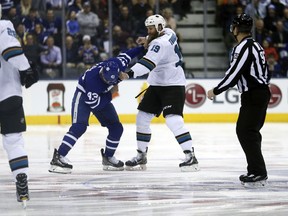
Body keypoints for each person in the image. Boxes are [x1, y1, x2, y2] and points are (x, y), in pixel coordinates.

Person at [48, 45, 145, 174]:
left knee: (116, 127)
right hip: (83, 96)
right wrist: (112, 93)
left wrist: (143, 47)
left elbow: (129, 54)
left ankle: (108, 157)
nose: (107, 81)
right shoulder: (93, 82)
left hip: (101, 95)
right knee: (79, 126)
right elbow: (95, 105)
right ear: (102, 72)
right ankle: (58, 157)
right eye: (105, 79)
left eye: (111, 80)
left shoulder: (118, 63)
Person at [123, 14, 199, 172]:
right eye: (148, 29)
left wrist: (128, 74)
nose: (149, 31)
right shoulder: (169, 32)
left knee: (173, 120)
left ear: (158, 27)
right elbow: (157, 38)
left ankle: (190, 156)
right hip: (158, 84)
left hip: (172, 86)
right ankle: (141, 154)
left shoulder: (159, 43)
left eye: (151, 28)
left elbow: (146, 64)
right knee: (142, 117)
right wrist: (147, 39)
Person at [207, 13, 271, 187]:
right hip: (257, 93)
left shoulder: (244, 47)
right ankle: (255, 170)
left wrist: (216, 90)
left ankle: (258, 172)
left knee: (246, 131)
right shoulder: (255, 45)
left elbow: (234, 74)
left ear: (235, 29)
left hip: (254, 94)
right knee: (248, 132)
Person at [0, 16, 39, 207]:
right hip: (7, 93)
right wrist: (27, 69)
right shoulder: (3, 25)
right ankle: (21, 179)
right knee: (13, 140)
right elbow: (11, 51)